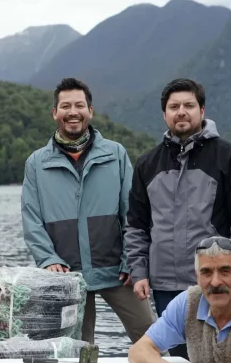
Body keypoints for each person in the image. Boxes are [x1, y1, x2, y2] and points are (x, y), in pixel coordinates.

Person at [126, 78, 231, 358]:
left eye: (188, 105)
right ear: (165, 114)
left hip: (214, 279)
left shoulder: (229, 157)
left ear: (202, 110)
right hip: (164, 282)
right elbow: (136, 225)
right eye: (174, 106)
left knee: (217, 354)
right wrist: (139, 272)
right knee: (175, 358)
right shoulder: (147, 164)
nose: (181, 111)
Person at [21, 77, 155, 344]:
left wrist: (133, 259)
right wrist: (47, 259)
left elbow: (134, 213)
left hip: (118, 271)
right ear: (55, 113)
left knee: (152, 340)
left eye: (79, 105)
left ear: (90, 111)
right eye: (66, 106)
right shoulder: (37, 163)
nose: (73, 112)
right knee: (76, 353)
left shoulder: (115, 154)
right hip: (67, 276)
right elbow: (31, 218)